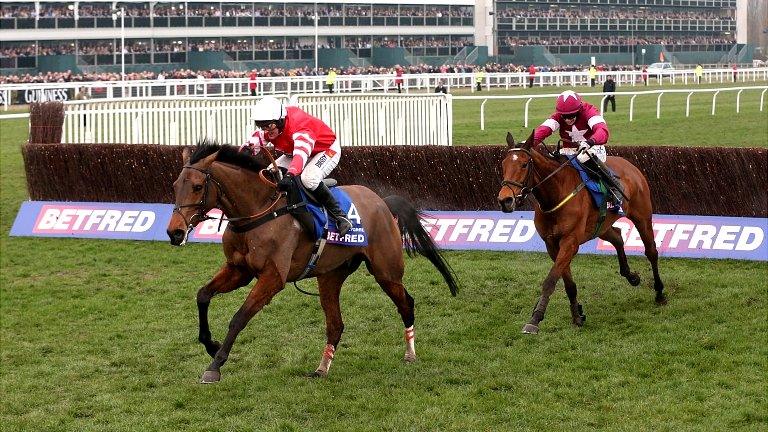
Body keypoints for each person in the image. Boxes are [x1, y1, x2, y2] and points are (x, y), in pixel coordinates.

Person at [242, 96, 352, 236]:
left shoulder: (300, 127)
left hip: (326, 150)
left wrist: (289, 175)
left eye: (269, 126)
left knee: (309, 178)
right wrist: (247, 149)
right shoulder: (273, 124)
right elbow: (258, 137)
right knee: (269, 174)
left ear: (280, 120)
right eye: (262, 126)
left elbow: (300, 156)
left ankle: (340, 216)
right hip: (296, 151)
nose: (266, 130)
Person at [533, 90, 623, 202]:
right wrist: (527, 143)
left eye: (571, 115)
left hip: (593, 147)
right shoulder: (558, 116)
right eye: (564, 116)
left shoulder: (589, 111)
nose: (568, 119)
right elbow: (543, 130)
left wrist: (590, 142)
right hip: (568, 151)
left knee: (583, 157)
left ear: (579, 109)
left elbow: (603, 131)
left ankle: (613, 185)